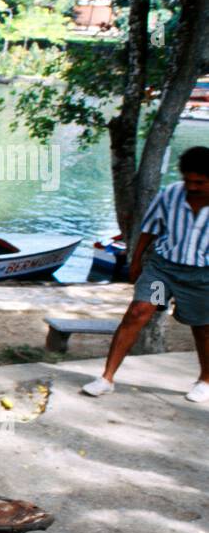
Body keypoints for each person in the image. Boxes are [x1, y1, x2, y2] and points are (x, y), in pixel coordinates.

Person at [82, 146, 209, 402]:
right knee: (138, 312)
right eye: (188, 181)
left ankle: (205, 380)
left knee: (202, 327)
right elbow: (150, 229)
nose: (192, 187)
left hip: (201, 278)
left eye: (200, 182)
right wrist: (136, 261)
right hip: (164, 272)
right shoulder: (171, 195)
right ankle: (106, 378)